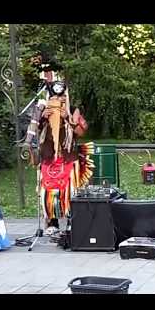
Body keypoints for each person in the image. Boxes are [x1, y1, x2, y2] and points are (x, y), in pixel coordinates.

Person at [24, 74, 93, 235]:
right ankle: (52, 222)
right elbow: (35, 129)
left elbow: (81, 131)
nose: (57, 98)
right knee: (49, 191)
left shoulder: (73, 109)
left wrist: (67, 118)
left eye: (60, 95)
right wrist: (42, 118)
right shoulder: (43, 107)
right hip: (49, 156)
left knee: (70, 191)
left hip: (68, 156)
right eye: (54, 95)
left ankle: (71, 221)